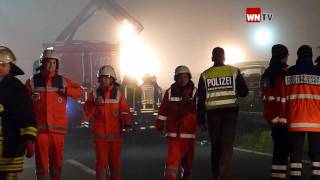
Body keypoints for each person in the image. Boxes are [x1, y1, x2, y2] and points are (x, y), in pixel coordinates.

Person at [25, 48, 82, 180]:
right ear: (42, 63)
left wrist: (67, 91)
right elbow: (22, 102)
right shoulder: (32, 82)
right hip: (40, 132)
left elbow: (79, 91)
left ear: (57, 64)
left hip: (58, 132)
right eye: (48, 62)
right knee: (42, 166)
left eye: (54, 63)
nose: (51, 65)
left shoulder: (62, 81)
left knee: (57, 165)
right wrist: (30, 99)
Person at [197, 47, 248, 180]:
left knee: (216, 146)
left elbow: (201, 100)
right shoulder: (234, 71)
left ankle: (216, 175)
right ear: (224, 57)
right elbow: (244, 92)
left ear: (212, 58)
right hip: (230, 115)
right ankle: (223, 175)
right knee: (227, 146)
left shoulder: (204, 75)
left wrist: (201, 121)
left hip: (212, 115)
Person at [84, 65, 132, 180]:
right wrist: (94, 104)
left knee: (115, 167)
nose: (103, 80)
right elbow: (86, 111)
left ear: (112, 79)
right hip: (100, 139)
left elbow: (125, 111)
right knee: (101, 166)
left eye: (106, 77)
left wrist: (127, 124)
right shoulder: (94, 94)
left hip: (115, 138)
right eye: (101, 78)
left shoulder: (119, 94)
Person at [279, 45, 320, 180]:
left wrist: (283, 118)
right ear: (311, 56)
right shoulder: (318, 72)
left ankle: (295, 178)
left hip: (295, 121)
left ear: (298, 56)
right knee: (317, 153)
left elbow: (283, 99)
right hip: (316, 121)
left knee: (295, 154)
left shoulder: (289, 73)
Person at [0, 46, 37, 179]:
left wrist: (29, 139)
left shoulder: (16, 88)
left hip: (10, 145)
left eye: (3, 65)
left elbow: (26, 114)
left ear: (10, 67)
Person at [156, 65, 197, 180]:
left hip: (189, 135)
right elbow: (163, 110)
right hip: (174, 134)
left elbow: (200, 110)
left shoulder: (195, 92)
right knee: (172, 163)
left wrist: (203, 123)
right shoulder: (169, 92)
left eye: (185, 76)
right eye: (180, 77)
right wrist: (159, 124)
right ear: (176, 78)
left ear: (189, 77)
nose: (183, 79)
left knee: (188, 164)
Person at [261, 44, 290, 179]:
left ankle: (277, 176)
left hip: (272, 118)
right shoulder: (286, 72)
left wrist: (271, 118)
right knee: (283, 151)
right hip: (284, 118)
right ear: (284, 56)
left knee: (278, 150)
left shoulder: (266, 74)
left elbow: (266, 97)